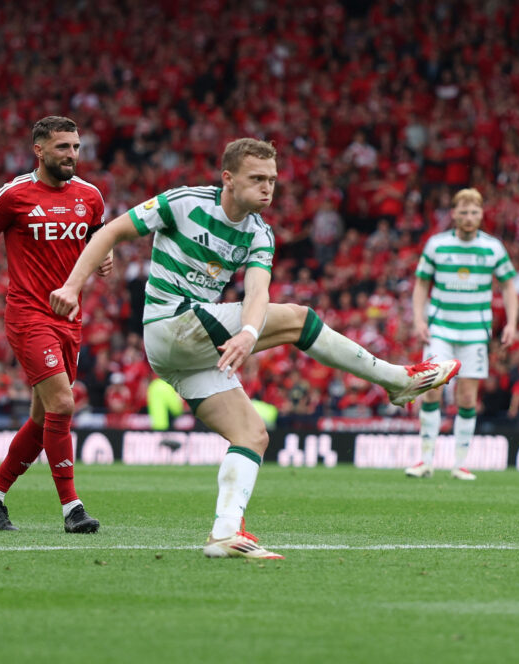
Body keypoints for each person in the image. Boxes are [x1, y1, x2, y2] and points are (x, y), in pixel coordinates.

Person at [49, 138, 459, 559]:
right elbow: (113, 230)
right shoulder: (185, 202)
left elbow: (258, 291)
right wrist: (72, 286)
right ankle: (394, 379)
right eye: (257, 178)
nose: (267, 188)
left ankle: (224, 534)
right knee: (298, 318)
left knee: (251, 435)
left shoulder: (259, 232)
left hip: (189, 349)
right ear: (228, 179)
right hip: (171, 322)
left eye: (273, 180)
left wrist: (248, 331)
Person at [0, 116, 111, 533]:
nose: (72, 155)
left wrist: (104, 256)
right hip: (28, 315)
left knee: (44, 420)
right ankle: (73, 509)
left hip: (69, 320)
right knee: (63, 403)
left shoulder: (90, 195)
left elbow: (97, 238)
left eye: (76, 147)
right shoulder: (13, 195)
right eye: (63, 147)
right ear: (39, 150)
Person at [405, 188, 518, 480]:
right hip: (440, 330)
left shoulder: (493, 248)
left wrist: (511, 323)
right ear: (454, 214)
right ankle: (426, 461)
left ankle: (460, 463)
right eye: (464, 212)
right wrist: (418, 319)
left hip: (475, 333)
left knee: (467, 398)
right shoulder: (437, 245)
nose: (469, 217)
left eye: (474, 212)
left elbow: (508, 286)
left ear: (482, 215)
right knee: (431, 390)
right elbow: (421, 283)